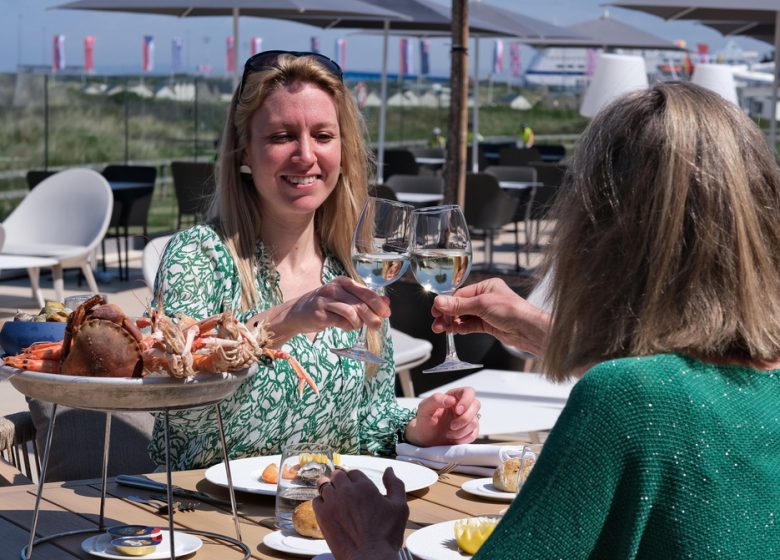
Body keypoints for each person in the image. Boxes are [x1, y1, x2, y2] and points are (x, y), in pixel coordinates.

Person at [312, 81, 780, 558]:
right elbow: (694, 394)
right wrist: (547, 334)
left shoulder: (624, 399)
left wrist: (371, 542)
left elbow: (650, 403)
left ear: (603, 230)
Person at [149, 50, 480, 471]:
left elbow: (366, 424)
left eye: (323, 136)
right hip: (207, 514)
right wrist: (281, 322)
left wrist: (419, 425)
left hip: (320, 515)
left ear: (343, 152)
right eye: (282, 136)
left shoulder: (351, 268)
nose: (305, 155)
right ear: (245, 151)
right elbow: (179, 413)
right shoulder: (199, 257)